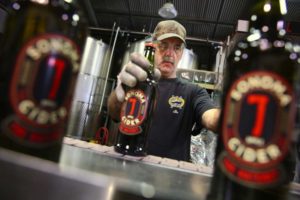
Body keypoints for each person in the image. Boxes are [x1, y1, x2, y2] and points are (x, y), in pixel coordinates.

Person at [107, 20, 220, 161]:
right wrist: (121, 91)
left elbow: (211, 117)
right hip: (129, 161)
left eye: (176, 48)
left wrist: (232, 117)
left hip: (171, 176)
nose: (169, 54)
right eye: (163, 45)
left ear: (182, 52)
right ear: (153, 47)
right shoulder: (136, 82)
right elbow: (114, 114)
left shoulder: (193, 91)